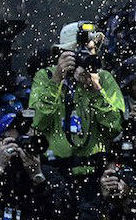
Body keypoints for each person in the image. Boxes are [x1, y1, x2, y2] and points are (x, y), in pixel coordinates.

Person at [29, 22, 125, 175]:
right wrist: (56, 81)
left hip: (95, 173)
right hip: (55, 172)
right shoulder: (46, 77)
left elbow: (115, 127)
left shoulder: (104, 78)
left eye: (91, 50)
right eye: (79, 52)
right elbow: (38, 122)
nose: (85, 56)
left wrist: (95, 90)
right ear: (62, 53)